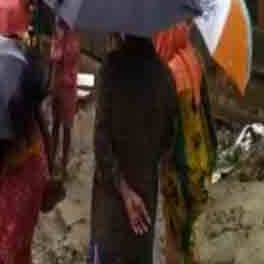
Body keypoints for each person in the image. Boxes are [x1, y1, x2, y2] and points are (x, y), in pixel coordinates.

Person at [89, 34, 178, 263]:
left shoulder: (111, 68)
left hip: (112, 199)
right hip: (144, 196)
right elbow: (168, 139)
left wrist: (125, 191)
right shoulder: (165, 76)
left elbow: (101, 140)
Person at [0, 40, 53, 264]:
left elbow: (9, 247)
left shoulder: (27, 167)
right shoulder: (17, 138)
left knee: (11, 251)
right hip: (6, 242)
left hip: (10, 246)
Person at [153, 23, 216, 264]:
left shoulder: (170, 71)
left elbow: (165, 131)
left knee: (174, 237)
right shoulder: (194, 57)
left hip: (177, 167)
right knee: (188, 235)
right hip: (198, 163)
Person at [48, 18, 80, 179]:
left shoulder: (74, 33)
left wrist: (59, 49)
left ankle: (64, 164)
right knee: (55, 125)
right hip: (58, 85)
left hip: (69, 87)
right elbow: (54, 56)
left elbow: (70, 56)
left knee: (67, 127)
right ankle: (52, 160)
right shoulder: (58, 30)